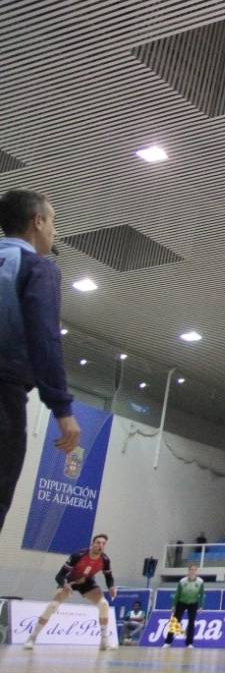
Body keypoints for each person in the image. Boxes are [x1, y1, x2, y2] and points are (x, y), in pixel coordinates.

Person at [0, 188, 80, 533]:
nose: (55, 231)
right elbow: (44, 338)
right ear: (37, 221)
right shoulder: (38, 268)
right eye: (53, 221)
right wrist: (62, 409)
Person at [24, 532, 116, 651]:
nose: (101, 545)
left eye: (103, 544)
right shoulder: (78, 555)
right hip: (70, 581)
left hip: (87, 582)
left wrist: (111, 587)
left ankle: (104, 641)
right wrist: (64, 585)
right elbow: (59, 576)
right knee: (53, 605)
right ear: (92, 544)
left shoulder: (105, 559)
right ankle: (32, 638)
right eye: (98, 543)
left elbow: (109, 577)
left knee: (104, 604)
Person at [164, 564, 205, 647]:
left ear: (196, 571)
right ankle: (168, 642)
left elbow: (201, 594)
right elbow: (177, 594)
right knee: (175, 622)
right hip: (181, 602)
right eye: (191, 570)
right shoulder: (182, 581)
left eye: (195, 570)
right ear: (188, 571)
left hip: (193, 603)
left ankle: (189, 643)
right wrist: (174, 605)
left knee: (191, 623)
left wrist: (201, 606)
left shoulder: (200, 582)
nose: (193, 571)